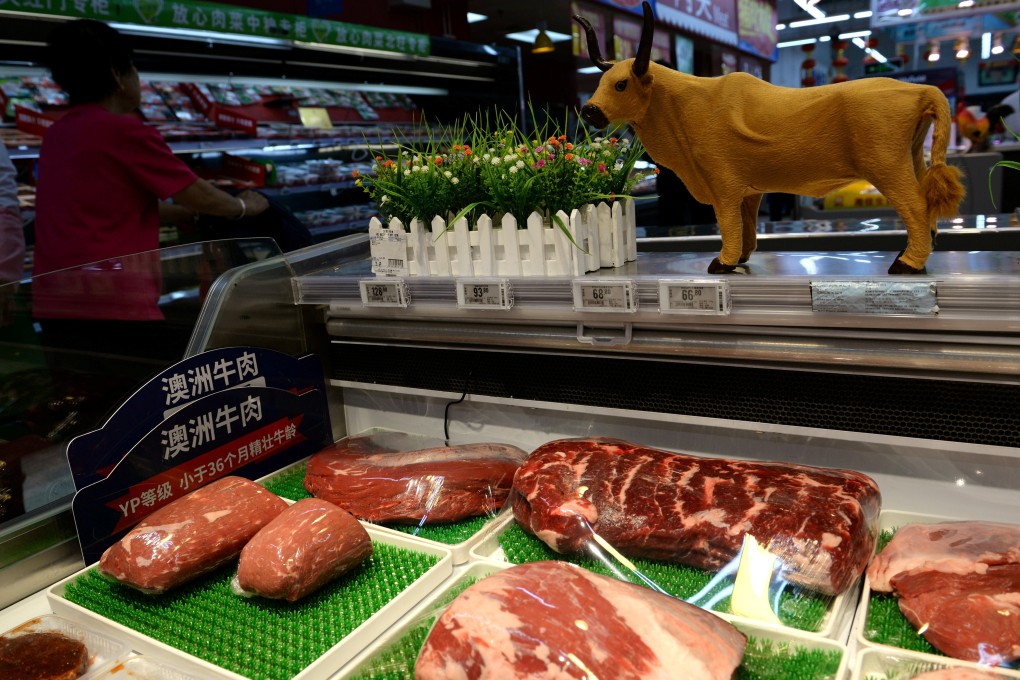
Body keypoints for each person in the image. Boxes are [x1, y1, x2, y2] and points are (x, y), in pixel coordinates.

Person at [32, 19, 270, 366]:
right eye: (133, 67)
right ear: (117, 74)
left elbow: (105, 208)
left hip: (56, 300)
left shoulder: (57, 134)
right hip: (114, 303)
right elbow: (197, 194)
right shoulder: (125, 131)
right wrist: (244, 206)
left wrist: (185, 213)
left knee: (82, 393)